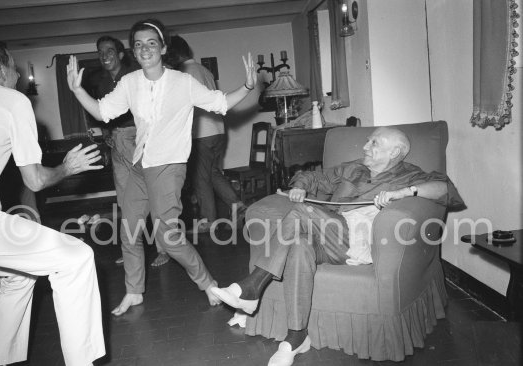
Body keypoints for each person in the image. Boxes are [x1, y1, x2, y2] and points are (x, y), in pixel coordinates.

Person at [212, 127, 465, 366]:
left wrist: (405, 193)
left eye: (374, 143)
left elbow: (447, 189)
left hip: (355, 241)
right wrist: (300, 187)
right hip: (329, 236)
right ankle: (297, 337)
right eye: (367, 141)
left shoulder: (409, 174)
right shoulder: (354, 168)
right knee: (299, 245)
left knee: (301, 213)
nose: (365, 146)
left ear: (395, 153)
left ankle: (252, 287)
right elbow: (312, 177)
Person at [66, 18, 258, 316]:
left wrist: (247, 86)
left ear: (163, 47)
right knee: (129, 230)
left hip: (169, 166)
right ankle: (134, 291)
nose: (145, 49)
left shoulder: (182, 82)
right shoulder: (130, 83)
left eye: (151, 42)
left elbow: (220, 102)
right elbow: (103, 112)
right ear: (133, 51)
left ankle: (208, 283)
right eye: (139, 44)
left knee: (168, 237)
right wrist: (78, 92)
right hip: (140, 163)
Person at [0, 39, 106, 365]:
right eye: (15, 70)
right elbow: (34, 180)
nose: (18, 77)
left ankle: (0, 361)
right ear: (2, 69)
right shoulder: (10, 99)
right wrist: (67, 167)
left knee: (19, 274)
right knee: (76, 258)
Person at [84, 35, 169, 267]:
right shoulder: (99, 81)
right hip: (115, 143)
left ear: (120, 54)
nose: (105, 56)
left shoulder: (135, 77)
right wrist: (106, 132)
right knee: (124, 199)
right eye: (100, 52)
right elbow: (101, 111)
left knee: (152, 193)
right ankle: (132, 251)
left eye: (109, 51)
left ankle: (164, 248)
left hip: (138, 139)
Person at [167, 35, 246, 235]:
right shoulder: (204, 70)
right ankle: (237, 205)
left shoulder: (184, 74)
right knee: (212, 173)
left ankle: (209, 220)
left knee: (200, 178)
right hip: (218, 130)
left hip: (201, 132)